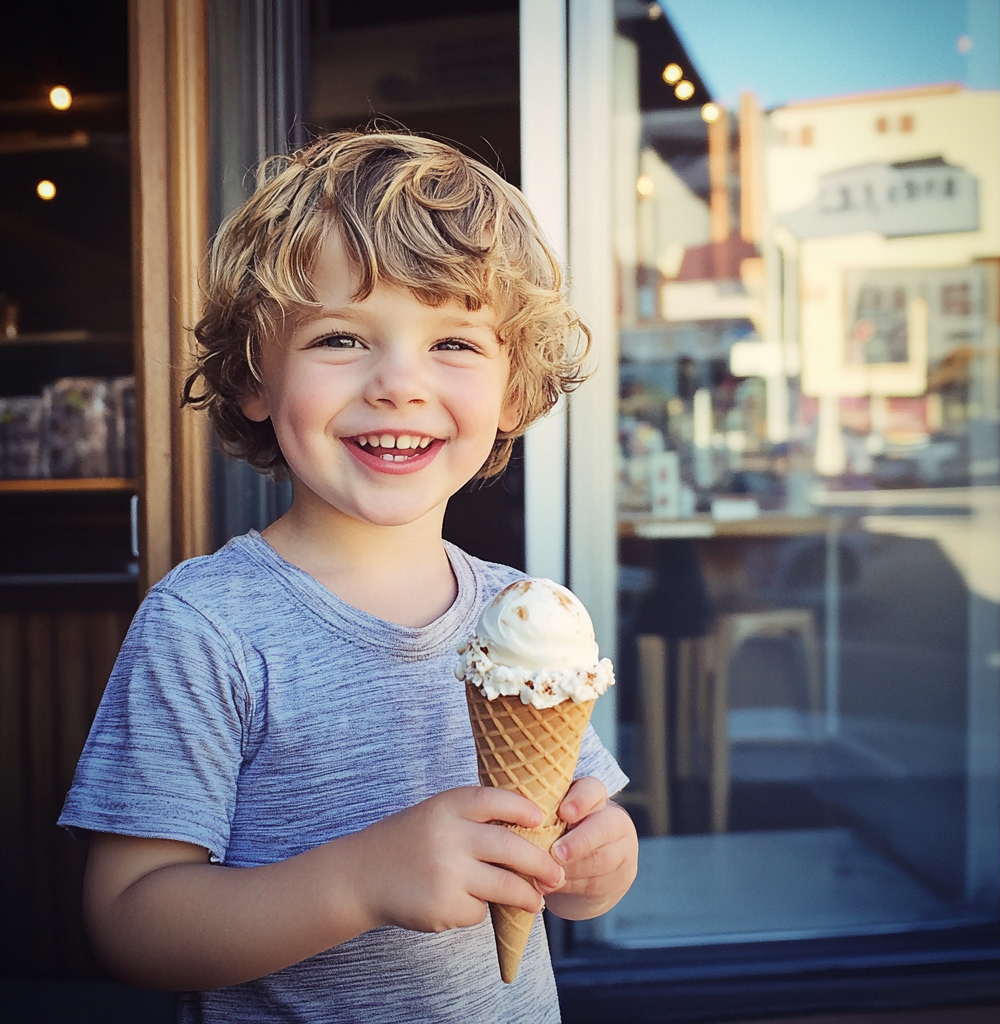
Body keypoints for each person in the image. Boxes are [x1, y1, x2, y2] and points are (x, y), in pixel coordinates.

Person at [58, 131, 638, 1023]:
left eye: (454, 342)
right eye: (340, 337)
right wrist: (363, 880)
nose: (399, 383)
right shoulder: (207, 624)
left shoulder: (523, 617)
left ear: (515, 389)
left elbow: (570, 858)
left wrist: (599, 865)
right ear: (256, 374)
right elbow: (130, 923)